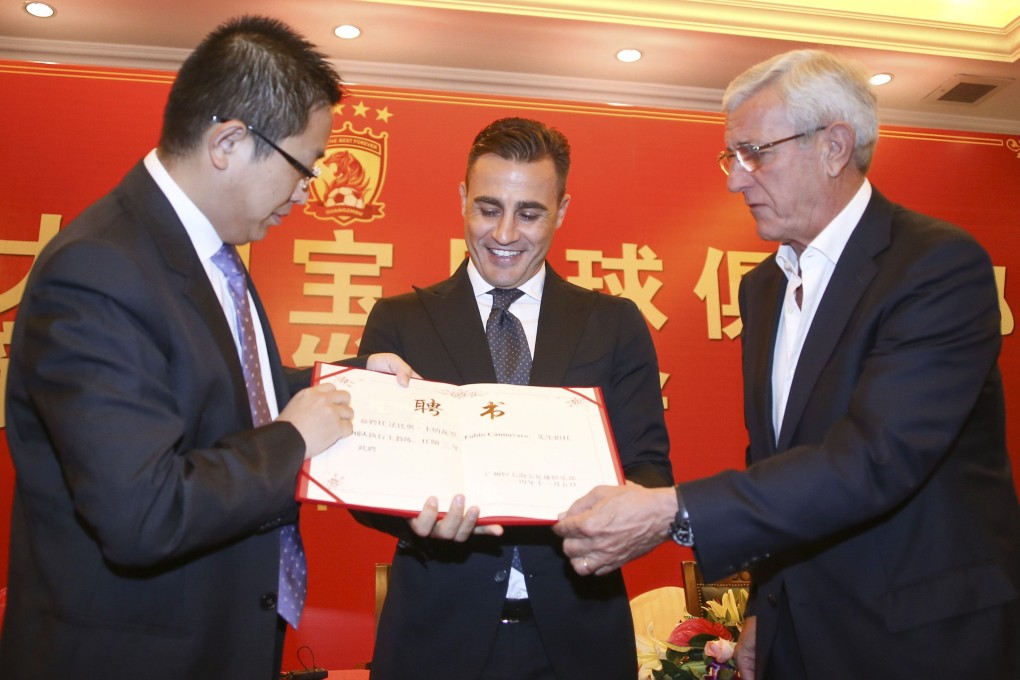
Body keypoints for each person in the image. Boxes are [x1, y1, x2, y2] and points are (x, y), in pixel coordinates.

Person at [554, 49, 1020, 679]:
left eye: (755, 153)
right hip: (798, 634)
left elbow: (873, 458)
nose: (734, 179)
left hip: (917, 641)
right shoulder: (765, 288)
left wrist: (673, 509)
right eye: (730, 156)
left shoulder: (936, 266)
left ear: (833, 147)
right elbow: (777, 461)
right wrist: (760, 609)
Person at [0, 16, 412, 680]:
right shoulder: (98, 270)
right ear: (228, 142)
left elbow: (238, 396)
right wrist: (293, 439)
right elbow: (142, 510)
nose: (309, 192)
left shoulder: (211, 251)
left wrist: (353, 381)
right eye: (303, 166)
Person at [353, 117, 673, 679]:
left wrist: (615, 514)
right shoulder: (401, 322)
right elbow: (370, 479)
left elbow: (648, 467)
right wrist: (416, 522)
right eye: (487, 208)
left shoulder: (613, 323)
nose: (504, 234)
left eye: (529, 213)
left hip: (581, 639)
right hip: (434, 638)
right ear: (461, 199)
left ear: (563, 210)